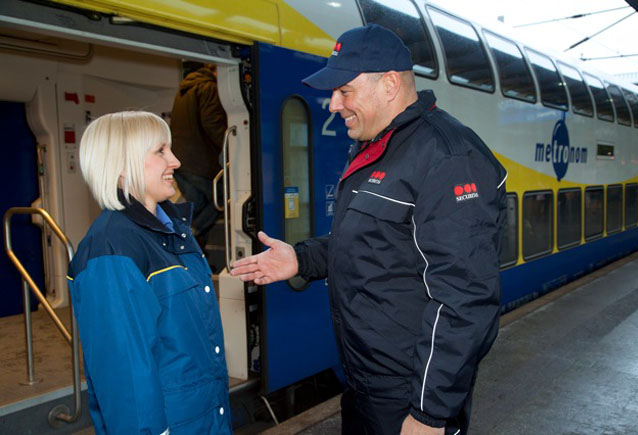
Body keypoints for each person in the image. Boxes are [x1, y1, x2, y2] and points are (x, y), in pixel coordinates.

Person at [231, 24, 507, 435]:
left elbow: (465, 299)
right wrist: (301, 259)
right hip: (365, 383)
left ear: (390, 84)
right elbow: (372, 244)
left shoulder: (448, 158)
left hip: (410, 391)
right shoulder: (376, 149)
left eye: (345, 91)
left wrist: (430, 413)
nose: (333, 105)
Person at [68, 111, 232, 434]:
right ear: (122, 164)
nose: (175, 161)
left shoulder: (172, 230)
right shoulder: (111, 249)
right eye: (160, 151)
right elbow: (124, 377)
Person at [171, 62, 227, 249]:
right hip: (198, 161)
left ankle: (187, 241)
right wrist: (232, 146)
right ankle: (189, 234)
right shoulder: (208, 88)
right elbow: (212, 123)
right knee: (219, 198)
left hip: (181, 160)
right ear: (216, 71)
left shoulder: (184, 91)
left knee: (197, 204)